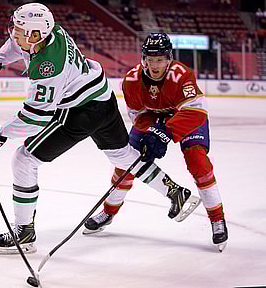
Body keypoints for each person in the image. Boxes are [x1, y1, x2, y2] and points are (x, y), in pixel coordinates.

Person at [0, 4, 199, 255]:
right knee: (121, 154)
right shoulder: (50, 31)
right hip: (102, 97)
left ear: (36, 35)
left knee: (24, 160)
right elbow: (17, 45)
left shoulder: (48, 66)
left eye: (18, 30)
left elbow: (36, 117)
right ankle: (175, 192)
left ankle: (24, 233)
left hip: (80, 113)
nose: (13, 34)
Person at [85, 32, 228, 251]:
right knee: (126, 163)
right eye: (150, 59)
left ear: (169, 58)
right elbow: (137, 115)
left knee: (198, 161)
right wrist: (151, 131)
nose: (154, 65)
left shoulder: (182, 75)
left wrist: (164, 132)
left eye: (160, 59)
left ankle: (217, 219)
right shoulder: (132, 80)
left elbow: (196, 112)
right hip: (153, 119)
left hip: (185, 118)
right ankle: (108, 212)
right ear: (143, 58)